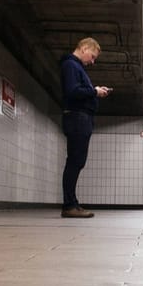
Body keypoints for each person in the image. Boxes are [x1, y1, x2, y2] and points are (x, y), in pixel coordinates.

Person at [59, 37, 111, 218]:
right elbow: (72, 92)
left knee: (77, 161)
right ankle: (69, 205)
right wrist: (94, 91)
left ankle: (72, 203)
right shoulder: (71, 65)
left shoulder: (76, 67)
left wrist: (94, 89)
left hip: (81, 118)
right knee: (75, 161)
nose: (93, 61)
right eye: (93, 56)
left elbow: (78, 90)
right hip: (77, 117)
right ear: (83, 48)